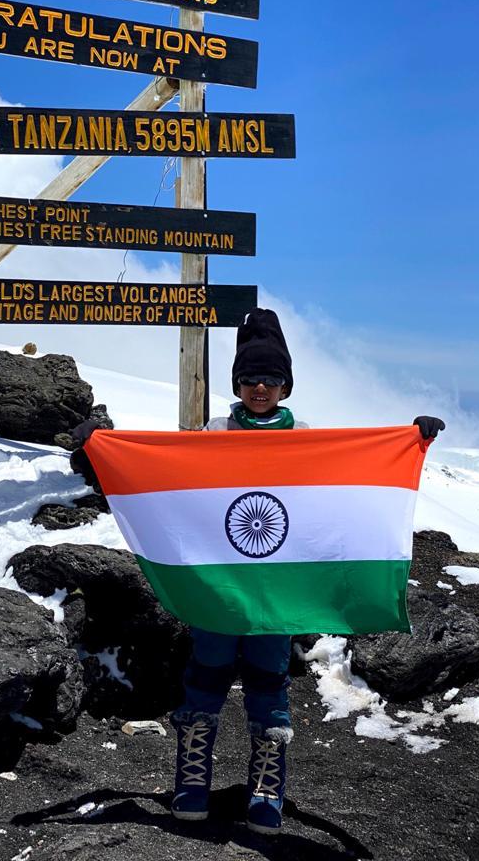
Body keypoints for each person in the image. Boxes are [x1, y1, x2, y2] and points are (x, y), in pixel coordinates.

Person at [71, 307, 445, 835]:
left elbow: (341, 488)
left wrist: (413, 439)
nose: (259, 387)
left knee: (269, 683)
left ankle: (267, 785)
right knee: (206, 675)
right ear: (238, 383)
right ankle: (192, 777)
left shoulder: (305, 437)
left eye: (270, 379)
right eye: (249, 378)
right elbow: (171, 483)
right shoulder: (215, 432)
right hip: (222, 587)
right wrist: (99, 451)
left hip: (279, 593)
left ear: (285, 385)